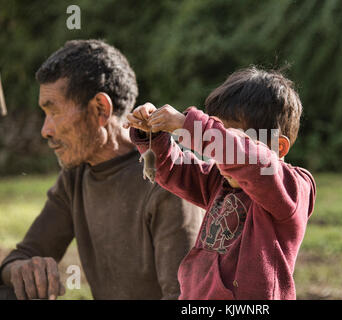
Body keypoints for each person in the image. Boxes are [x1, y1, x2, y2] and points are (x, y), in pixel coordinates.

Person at [0, 40, 204, 300]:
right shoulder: (75, 176)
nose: (45, 130)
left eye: (54, 112)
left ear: (100, 109)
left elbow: (184, 300)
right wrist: (22, 270)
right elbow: (23, 256)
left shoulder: (169, 179)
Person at [125, 67, 317, 299]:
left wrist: (189, 126)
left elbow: (250, 158)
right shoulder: (219, 180)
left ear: (278, 147)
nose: (218, 153)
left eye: (228, 137)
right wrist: (152, 135)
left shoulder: (293, 188)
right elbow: (173, 168)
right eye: (217, 134)